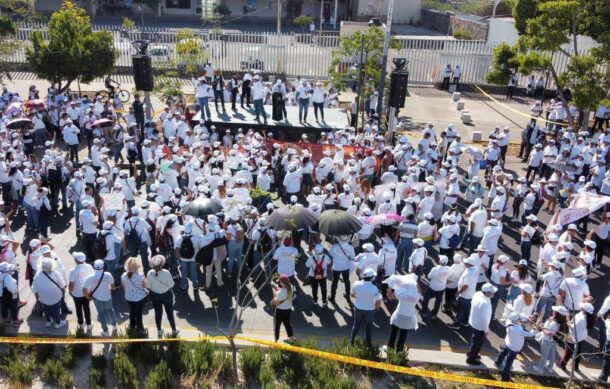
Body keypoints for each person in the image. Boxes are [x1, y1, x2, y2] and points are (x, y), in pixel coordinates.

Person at [145, 255, 179, 338]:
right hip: (166, 295)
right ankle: (174, 330)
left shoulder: (150, 273)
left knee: (158, 313)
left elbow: (148, 286)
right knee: (170, 313)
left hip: (155, 295)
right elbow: (171, 285)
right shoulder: (166, 273)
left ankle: (159, 330)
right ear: (162, 264)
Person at [494, 312, 535, 381]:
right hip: (514, 347)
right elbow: (531, 334)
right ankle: (504, 378)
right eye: (519, 319)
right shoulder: (517, 330)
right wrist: (535, 328)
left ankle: (497, 362)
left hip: (508, 343)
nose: (520, 320)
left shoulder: (509, 321)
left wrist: (529, 319)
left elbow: (520, 321)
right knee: (508, 363)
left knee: (503, 352)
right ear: (516, 320)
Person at [386, 275, 421, 352]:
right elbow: (419, 290)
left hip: (398, 316)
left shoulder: (402, 294)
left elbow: (389, 296)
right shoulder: (417, 296)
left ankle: (390, 350)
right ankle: (399, 352)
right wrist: (415, 282)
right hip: (409, 317)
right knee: (403, 336)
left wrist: (390, 286)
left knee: (393, 334)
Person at [83, 259, 117, 337]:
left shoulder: (90, 277)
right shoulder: (108, 275)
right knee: (110, 311)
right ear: (103, 267)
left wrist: (88, 297)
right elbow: (113, 286)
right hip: (108, 297)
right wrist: (108, 290)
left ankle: (105, 331)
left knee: (101, 314)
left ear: (94, 267)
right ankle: (114, 326)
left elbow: (84, 289)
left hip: (97, 299)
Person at [558, 302, 595, 372]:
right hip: (581, 336)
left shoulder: (581, 319)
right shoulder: (588, 316)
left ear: (584, 311)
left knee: (568, 352)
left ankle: (563, 364)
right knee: (578, 352)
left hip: (574, 336)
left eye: (582, 308)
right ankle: (575, 366)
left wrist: (568, 318)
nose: (581, 308)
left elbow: (572, 327)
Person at [32, 257, 67, 329]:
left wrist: (37, 299)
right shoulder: (55, 273)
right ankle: (58, 322)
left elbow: (35, 290)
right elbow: (62, 285)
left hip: (43, 298)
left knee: (46, 309)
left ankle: (48, 321)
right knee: (56, 310)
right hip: (55, 297)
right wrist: (63, 292)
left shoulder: (37, 275)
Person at [466, 283, 496, 365]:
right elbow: (484, 319)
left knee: (474, 339)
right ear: (487, 293)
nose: (493, 293)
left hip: (473, 321)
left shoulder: (478, 294)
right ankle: (471, 359)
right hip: (480, 326)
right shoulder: (485, 303)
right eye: (492, 292)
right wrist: (486, 330)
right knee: (477, 344)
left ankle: (471, 353)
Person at [350, 268, 382, 345]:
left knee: (356, 326)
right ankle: (368, 344)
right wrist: (377, 308)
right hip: (370, 310)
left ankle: (352, 342)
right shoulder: (374, 288)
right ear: (372, 278)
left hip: (358, 309)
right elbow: (378, 301)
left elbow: (352, 294)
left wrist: (359, 298)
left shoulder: (356, 284)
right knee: (368, 328)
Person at [534, 305, 568, 374]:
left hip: (547, 340)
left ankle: (540, 369)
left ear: (556, 313)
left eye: (554, 311)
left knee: (544, 355)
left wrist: (542, 327)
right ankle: (550, 367)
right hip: (553, 341)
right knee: (552, 354)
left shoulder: (553, 323)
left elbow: (550, 333)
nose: (553, 311)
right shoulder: (560, 322)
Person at [68, 252, 94, 331]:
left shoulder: (73, 270)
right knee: (86, 308)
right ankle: (89, 324)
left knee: (78, 308)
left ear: (76, 260)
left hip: (76, 293)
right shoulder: (89, 266)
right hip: (86, 292)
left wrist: (70, 291)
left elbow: (71, 284)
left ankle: (81, 324)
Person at [120, 257, 147, 331]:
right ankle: (140, 327)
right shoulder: (141, 275)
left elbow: (124, 287)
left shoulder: (123, 275)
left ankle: (132, 325)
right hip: (140, 297)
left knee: (132, 311)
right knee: (139, 313)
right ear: (137, 267)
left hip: (129, 297)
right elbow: (144, 286)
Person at [420, 255, 450, 320]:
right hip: (441, 288)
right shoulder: (448, 268)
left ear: (440, 261)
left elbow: (429, 277)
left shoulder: (435, 269)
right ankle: (434, 315)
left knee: (426, 299)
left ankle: (424, 312)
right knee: (438, 302)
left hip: (433, 287)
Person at [328, 235, 354, 303]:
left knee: (334, 282)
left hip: (336, 267)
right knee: (347, 281)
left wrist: (331, 247)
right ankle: (348, 297)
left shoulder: (335, 246)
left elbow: (330, 253)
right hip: (346, 267)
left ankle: (332, 297)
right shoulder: (350, 247)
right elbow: (352, 257)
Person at [271, 274, 295, 343]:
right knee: (287, 323)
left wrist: (274, 291)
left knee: (277, 325)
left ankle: (276, 339)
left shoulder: (281, 293)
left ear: (282, 283)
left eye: (279, 282)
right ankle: (291, 337)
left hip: (280, 311)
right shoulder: (291, 286)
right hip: (288, 309)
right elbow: (284, 290)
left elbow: (276, 302)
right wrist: (278, 289)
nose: (279, 283)